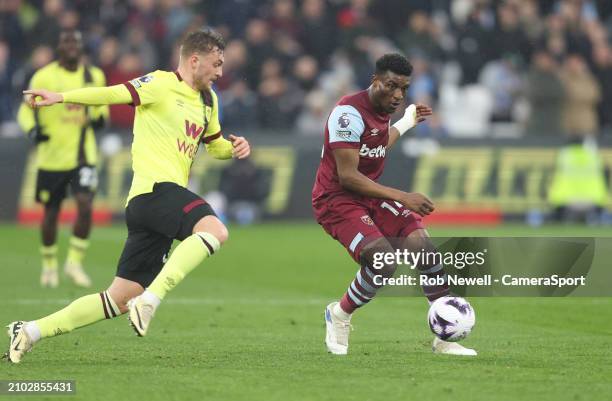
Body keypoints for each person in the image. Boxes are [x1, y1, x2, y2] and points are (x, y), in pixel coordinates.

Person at [5, 29, 251, 364]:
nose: (221, 71)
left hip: (152, 206)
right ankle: (151, 299)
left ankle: (30, 330)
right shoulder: (161, 84)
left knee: (118, 299)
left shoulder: (209, 100)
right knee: (215, 230)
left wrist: (233, 149)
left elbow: (214, 144)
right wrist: (61, 97)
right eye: (217, 63)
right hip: (154, 191)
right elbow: (110, 94)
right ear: (195, 60)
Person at [312, 53, 477, 356]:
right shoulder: (347, 114)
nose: (398, 95)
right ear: (374, 81)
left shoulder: (383, 109)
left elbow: (375, 145)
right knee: (383, 261)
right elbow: (347, 177)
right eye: (391, 86)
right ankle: (339, 315)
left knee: (423, 248)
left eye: (404, 88)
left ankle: (444, 339)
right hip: (337, 199)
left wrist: (406, 121)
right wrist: (403, 196)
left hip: (370, 196)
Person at [17, 30, 109, 288]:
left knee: (85, 204)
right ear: (59, 47)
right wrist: (32, 130)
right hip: (52, 157)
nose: (71, 46)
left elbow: (103, 108)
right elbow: (24, 111)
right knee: (51, 212)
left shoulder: (94, 76)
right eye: (66, 42)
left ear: (81, 48)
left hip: (83, 155)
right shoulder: (44, 76)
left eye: (75, 43)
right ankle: (48, 267)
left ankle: (74, 263)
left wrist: (101, 119)